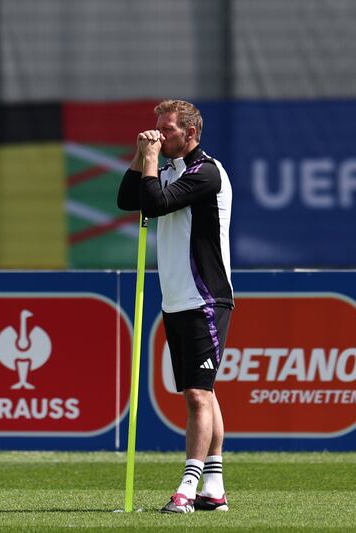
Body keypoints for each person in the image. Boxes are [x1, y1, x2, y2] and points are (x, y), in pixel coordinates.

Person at [117, 100, 234, 514]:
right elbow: (127, 199)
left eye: (167, 130)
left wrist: (150, 159)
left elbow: (155, 204)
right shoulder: (164, 169)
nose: (159, 136)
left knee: (198, 396)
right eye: (157, 128)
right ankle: (215, 488)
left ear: (192, 134)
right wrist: (140, 156)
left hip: (205, 297)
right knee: (199, 393)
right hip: (175, 298)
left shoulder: (207, 172)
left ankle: (186, 487)